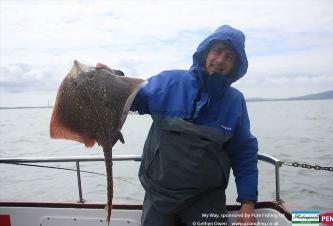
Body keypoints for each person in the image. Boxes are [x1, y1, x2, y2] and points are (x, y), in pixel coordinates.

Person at [98, 24, 258, 226]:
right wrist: (114, 78)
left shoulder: (234, 101)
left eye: (229, 57)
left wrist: (248, 202)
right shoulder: (169, 82)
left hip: (207, 200)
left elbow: (244, 152)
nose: (220, 60)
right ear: (206, 52)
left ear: (236, 65)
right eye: (217, 51)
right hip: (159, 197)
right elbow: (133, 96)